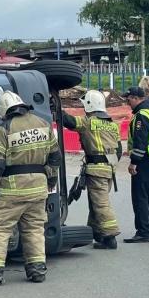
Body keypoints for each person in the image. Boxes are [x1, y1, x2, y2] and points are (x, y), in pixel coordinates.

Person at [0, 91, 61, 286]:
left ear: (4, 110)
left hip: (12, 190)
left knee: (0, 229)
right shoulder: (43, 124)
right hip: (38, 188)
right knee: (34, 229)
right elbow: (55, 157)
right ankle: (37, 270)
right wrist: (51, 180)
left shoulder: (4, 130)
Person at [62, 90, 122, 250]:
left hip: (96, 169)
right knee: (95, 201)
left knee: (101, 204)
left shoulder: (89, 122)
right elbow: (119, 150)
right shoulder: (112, 124)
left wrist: (57, 109)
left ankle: (110, 236)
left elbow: (69, 121)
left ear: (89, 105)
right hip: (109, 169)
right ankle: (97, 233)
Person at [121, 87, 149, 243]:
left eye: (128, 100)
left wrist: (134, 162)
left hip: (144, 160)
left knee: (140, 196)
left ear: (135, 98)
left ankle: (143, 232)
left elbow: (140, 141)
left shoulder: (141, 115)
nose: (127, 103)